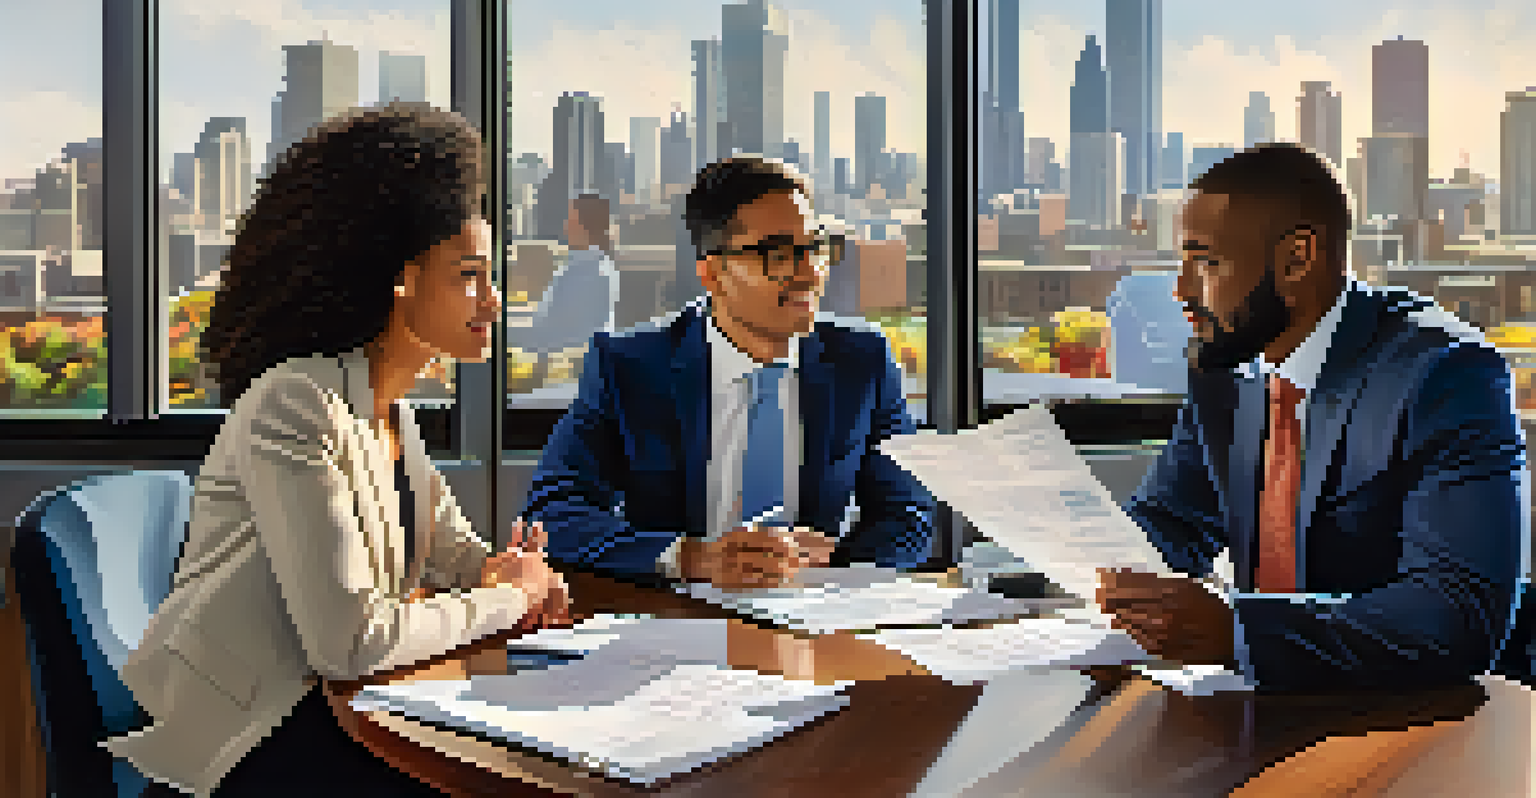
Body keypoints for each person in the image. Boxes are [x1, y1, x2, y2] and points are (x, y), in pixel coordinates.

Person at [108, 102, 568, 796]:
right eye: (468, 275)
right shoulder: (293, 404)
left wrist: (512, 572)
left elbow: (454, 554)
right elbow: (350, 642)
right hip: (252, 730)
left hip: (334, 701)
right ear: (399, 279)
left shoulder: (392, 412)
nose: (493, 302)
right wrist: (509, 598)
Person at [1098, 142, 1527, 693]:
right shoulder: (1223, 369)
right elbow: (1173, 519)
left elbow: (1458, 614)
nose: (1181, 291)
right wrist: (1101, 568)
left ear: (1297, 259)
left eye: (1206, 262)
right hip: (1263, 705)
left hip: (1412, 712)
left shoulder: (1445, 375)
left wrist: (1237, 633)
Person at [524, 155, 936, 589]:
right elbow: (550, 515)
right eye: (779, 255)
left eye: (816, 247)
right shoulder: (630, 367)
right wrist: (692, 558)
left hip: (814, 613)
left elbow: (909, 514)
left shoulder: (862, 362)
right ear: (713, 272)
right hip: (675, 616)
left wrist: (838, 560)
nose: (810, 273)